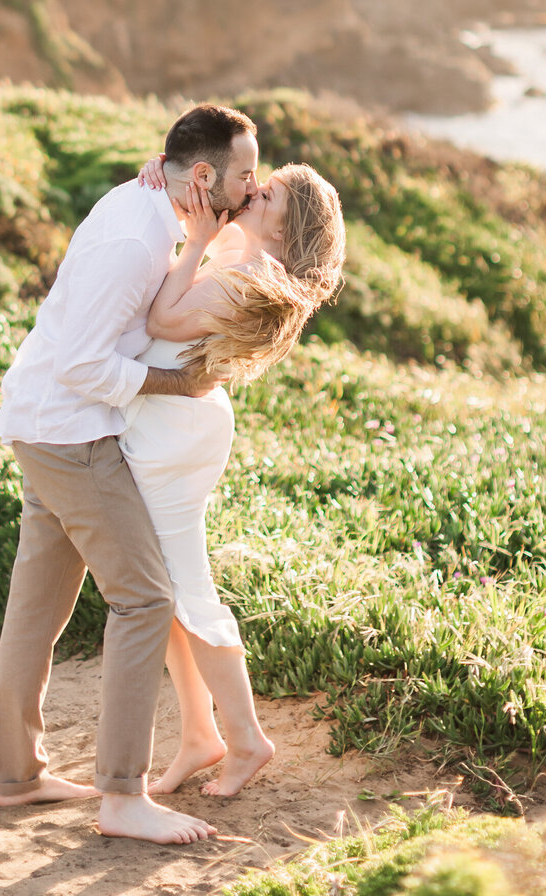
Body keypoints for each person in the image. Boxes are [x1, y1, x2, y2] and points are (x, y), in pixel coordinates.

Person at [0, 103, 261, 845]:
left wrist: (197, 227)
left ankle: (18, 778)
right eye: (245, 174)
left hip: (45, 422)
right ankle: (123, 797)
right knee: (146, 599)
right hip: (70, 433)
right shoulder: (134, 237)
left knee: (39, 605)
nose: (252, 185)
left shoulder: (151, 206)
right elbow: (83, 364)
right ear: (203, 175)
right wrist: (170, 386)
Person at [122, 152, 345, 797]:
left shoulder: (255, 275)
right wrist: (166, 172)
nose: (253, 191)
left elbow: (163, 321)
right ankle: (200, 736)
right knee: (161, 589)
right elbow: (196, 212)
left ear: (284, 226)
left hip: (177, 431)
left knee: (185, 586)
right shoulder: (244, 252)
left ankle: (246, 738)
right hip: (171, 420)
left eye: (267, 194)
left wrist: (195, 242)